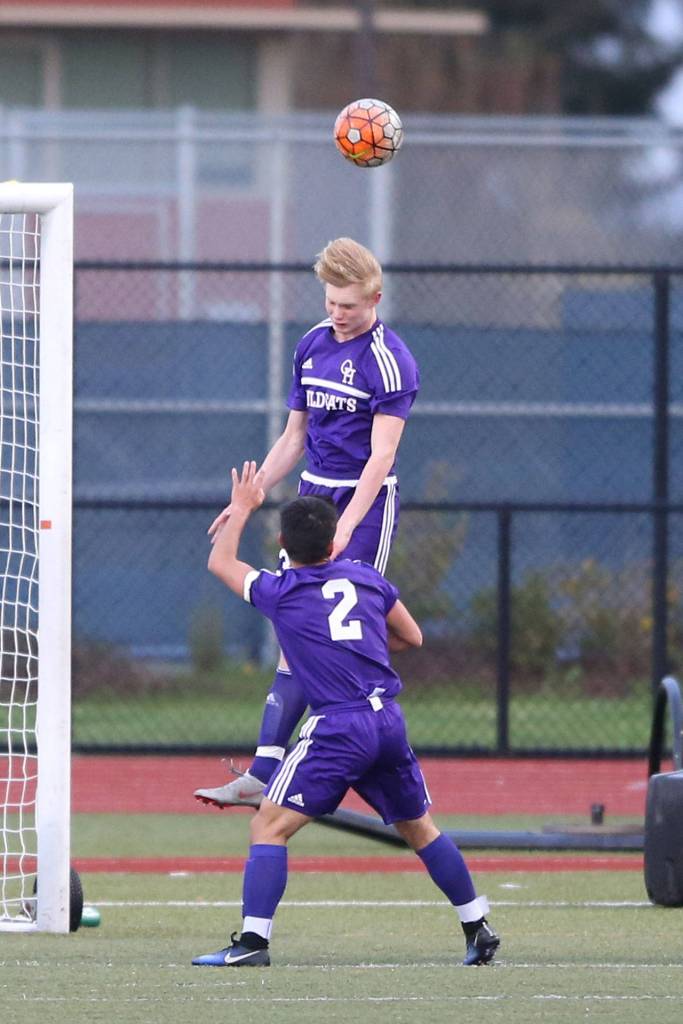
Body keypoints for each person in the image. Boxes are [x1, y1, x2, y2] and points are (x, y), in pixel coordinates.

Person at [191, 462, 501, 968]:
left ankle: (251, 945)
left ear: (285, 546)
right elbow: (412, 637)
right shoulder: (366, 577)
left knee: (269, 826)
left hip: (340, 726)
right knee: (421, 828)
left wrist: (244, 506)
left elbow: (220, 563)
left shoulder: (282, 591)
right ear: (334, 541)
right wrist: (357, 650)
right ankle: (477, 926)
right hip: (387, 720)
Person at [194, 237, 420, 808]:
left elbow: (382, 456)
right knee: (295, 629)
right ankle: (267, 770)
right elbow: (295, 436)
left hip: (363, 502)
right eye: (330, 301)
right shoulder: (312, 345)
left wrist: (347, 526)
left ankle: (355, 742)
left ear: (374, 297)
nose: (336, 314)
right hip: (312, 494)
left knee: (345, 625)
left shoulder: (390, 361)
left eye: (347, 305)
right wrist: (252, 494)